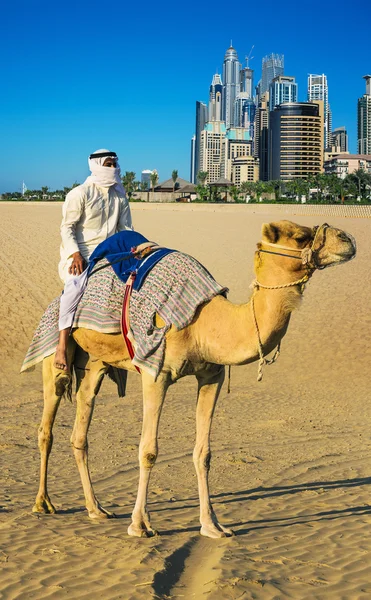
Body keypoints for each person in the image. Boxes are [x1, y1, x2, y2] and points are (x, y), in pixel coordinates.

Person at [54, 149, 133, 371]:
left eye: (114, 164)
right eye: (108, 164)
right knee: (74, 286)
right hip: (83, 254)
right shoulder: (80, 193)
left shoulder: (120, 195)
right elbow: (66, 228)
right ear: (97, 166)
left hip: (112, 251)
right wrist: (75, 254)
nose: (113, 168)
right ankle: (61, 346)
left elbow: (125, 228)